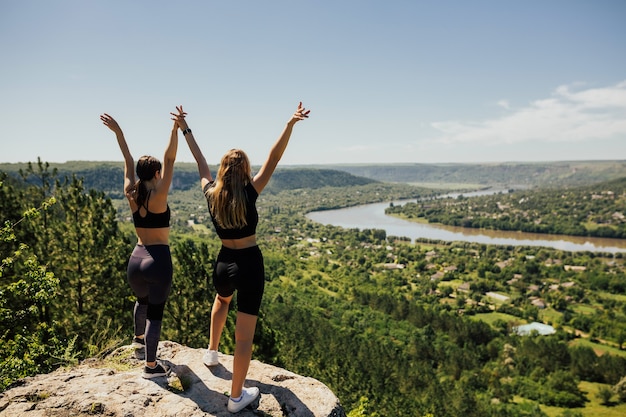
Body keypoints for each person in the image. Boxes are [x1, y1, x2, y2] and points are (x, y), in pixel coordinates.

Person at [172, 102, 310, 412]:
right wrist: (289, 125)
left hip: (223, 261)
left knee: (221, 301)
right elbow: (274, 157)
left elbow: (199, 159)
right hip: (249, 263)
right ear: (245, 170)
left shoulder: (211, 192)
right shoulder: (250, 191)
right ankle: (236, 398)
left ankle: (211, 352)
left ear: (222, 170)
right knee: (244, 337)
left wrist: (185, 129)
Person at [100, 110, 179, 379]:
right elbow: (170, 158)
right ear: (156, 173)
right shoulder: (159, 195)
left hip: (136, 259)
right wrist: (174, 129)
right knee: (155, 313)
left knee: (141, 301)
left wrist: (119, 132)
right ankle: (151, 366)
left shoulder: (130, 193)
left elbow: (127, 159)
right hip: (158, 259)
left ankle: (138, 343)